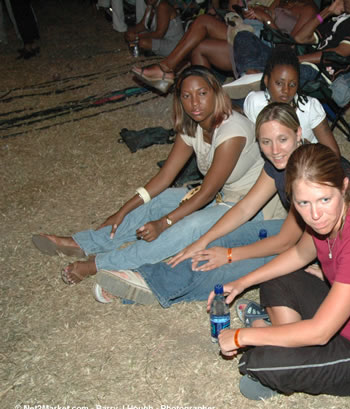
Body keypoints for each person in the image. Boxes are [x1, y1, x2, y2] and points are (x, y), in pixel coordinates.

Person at [211, 144, 350, 400]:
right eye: (303, 202)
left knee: (260, 363)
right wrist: (241, 283)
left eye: (324, 199)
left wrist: (241, 336)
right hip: (341, 319)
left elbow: (321, 332)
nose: (315, 215)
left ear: (345, 187)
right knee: (273, 277)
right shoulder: (326, 219)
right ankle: (287, 342)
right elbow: (298, 254)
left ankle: (279, 342)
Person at [31, 66, 263, 286]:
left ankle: (98, 264)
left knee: (186, 227)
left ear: (216, 93)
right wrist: (123, 209)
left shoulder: (232, 131)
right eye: (186, 96)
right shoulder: (194, 125)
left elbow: (207, 192)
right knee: (162, 199)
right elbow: (165, 176)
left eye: (202, 93)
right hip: (215, 195)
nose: (195, 103)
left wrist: (165, 222)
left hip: (245, 206)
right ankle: (83, 243)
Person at [91, 103, 305, 306]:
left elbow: (285, 242)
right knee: (217, 241)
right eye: (266, 142)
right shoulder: (276, 165)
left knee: (233, 264)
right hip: (288, 228)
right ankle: (151, 280)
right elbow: (245, 208)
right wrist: (203, 241)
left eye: (282, 139)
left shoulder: (309, 171)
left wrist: (229, 254)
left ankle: (149, 284)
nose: (275, 150)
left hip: (314, 247)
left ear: (299, 133)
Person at [132, 0, 318, 93]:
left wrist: (267, 19)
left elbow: (290, 48)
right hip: (249, 35)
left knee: (204, 21)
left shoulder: (308, 9)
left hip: (266, 49)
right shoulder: (280, 2)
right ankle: (208, 99)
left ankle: (165, 69)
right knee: (199, 46)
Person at [232, 0, 350, 85]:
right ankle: (251, 75)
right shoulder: (338, 19)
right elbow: (301, 38)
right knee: (243, 36)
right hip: (297, 60)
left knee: (273, 79)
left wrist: (297, 60)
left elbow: (339, 53)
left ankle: (253, 78)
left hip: (316, 71)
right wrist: (327, 12)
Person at [243, 46, 340, 155]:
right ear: (266, 80)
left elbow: (333, 153)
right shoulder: (255, 102)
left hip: (305, 160)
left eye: (292, 84)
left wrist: (304, 147)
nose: (286, 90)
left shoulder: (309, 108)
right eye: (279, 83)